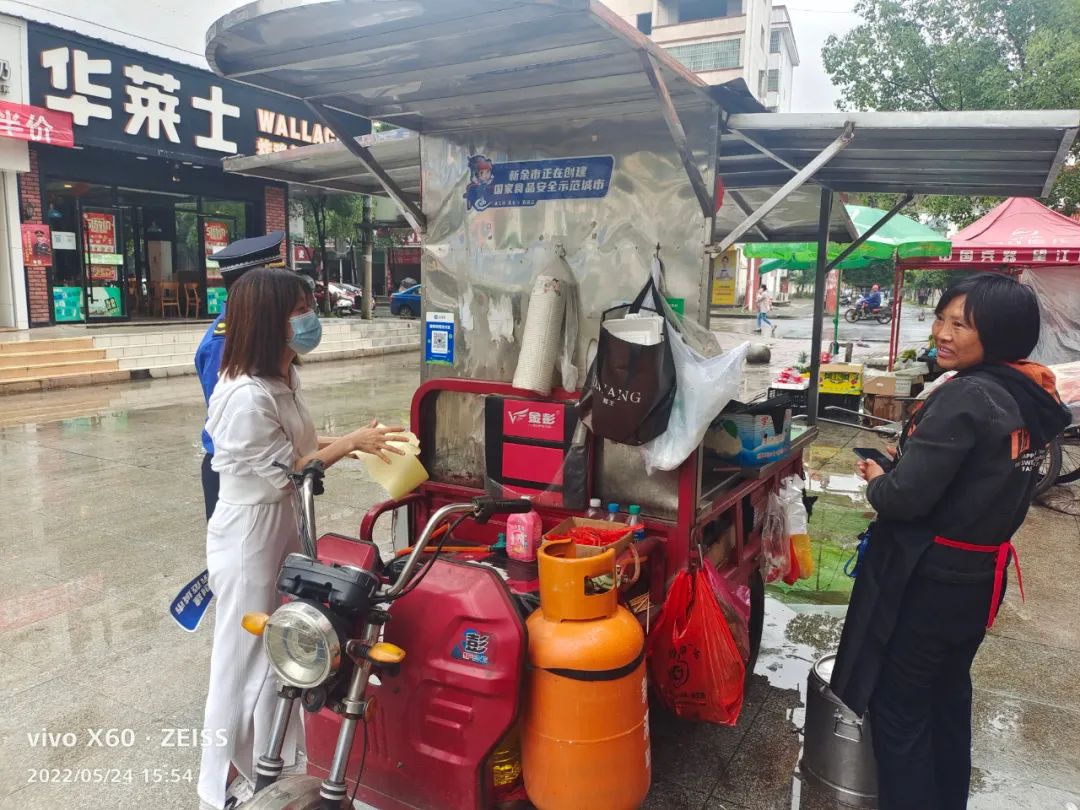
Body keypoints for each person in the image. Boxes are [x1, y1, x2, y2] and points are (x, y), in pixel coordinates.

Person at [830, 274, 1070, 810]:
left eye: (961, 324)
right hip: (980, 578)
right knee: (947, 696)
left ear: (999, 332)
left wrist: (878, 479)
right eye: (941, 318)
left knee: (899, 709)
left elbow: (903, 500)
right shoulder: (1029, 393)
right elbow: (970, 477)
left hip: (932, 582)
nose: (942, 332)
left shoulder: (967, 396)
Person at [196, 268, 406, 810]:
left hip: (282, 522)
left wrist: (358, 441)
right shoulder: (244, 395)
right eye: (300, 309)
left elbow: (299, 444)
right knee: (241, 659)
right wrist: (349, 443)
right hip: (250, 532)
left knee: (281, 647)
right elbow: (285, 470)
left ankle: (268, 770)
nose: (312, 317)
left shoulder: (281, 378)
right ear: (271, 320)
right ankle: (220, 784)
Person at [195, 231, 287, 522]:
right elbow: (236, 421)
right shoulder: (225, 344)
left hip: (265, 461)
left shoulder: (262, 335)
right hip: (236, 472)